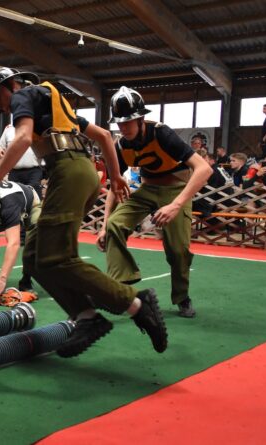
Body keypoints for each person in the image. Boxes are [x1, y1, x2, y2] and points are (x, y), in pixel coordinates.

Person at [0, 67, 167, 358]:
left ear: (11, 85)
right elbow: (103, 136)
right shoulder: (52, 104)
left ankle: (136, 303)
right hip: (81, 173)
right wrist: (114, 175)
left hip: (68, 171)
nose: (2, 107)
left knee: (57, 258)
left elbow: (22, 138)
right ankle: (86, 316)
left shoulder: (23, 95)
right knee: (34, 257)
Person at [98, 86, 211, 319]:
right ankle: (122, 286)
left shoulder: (162, 134)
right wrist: (104, 224)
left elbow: (204, 169)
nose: (123, 127)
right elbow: (115, 186)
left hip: (176, 190)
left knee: (178, 250)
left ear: (141, 118)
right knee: (114, 225)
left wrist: (176, 205)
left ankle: (182, 297)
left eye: (128, 121)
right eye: (119, 122)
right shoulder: (121, 145)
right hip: (147, 189)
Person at [0, 123, 43, 191]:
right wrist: (0, 151)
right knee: (15, 195)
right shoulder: (9, 129)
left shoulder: (38, 126)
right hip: (14, 172)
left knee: (34, 194)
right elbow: (0, 147)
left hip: (34, 171)